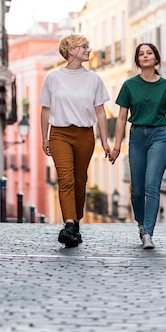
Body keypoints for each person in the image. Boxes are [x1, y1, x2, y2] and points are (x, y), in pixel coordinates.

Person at [110, 42, 166, 249]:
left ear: (156, 58)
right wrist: (117, 147)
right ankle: (141, 224)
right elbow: (121, 118)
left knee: (152, 185)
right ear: (137, 60)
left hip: (160, 137)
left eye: (149, 53)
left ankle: (148, 234)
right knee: (136, 190)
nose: (145, 56)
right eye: (141, 54)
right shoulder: (129, 85)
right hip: (136, 137)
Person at [40, 34, 111, 247]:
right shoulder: (53, 78)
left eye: (88, 46)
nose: (89, 50)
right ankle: (69, 224)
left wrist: (105, 141)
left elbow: (100, 112)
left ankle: (75, 223)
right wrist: (45, 137)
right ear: (70, 50)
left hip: (85, 135)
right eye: (84, 47)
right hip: (59, 134)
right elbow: (45, 110)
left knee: (80, 182)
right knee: (66, 179)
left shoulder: (94, 79)